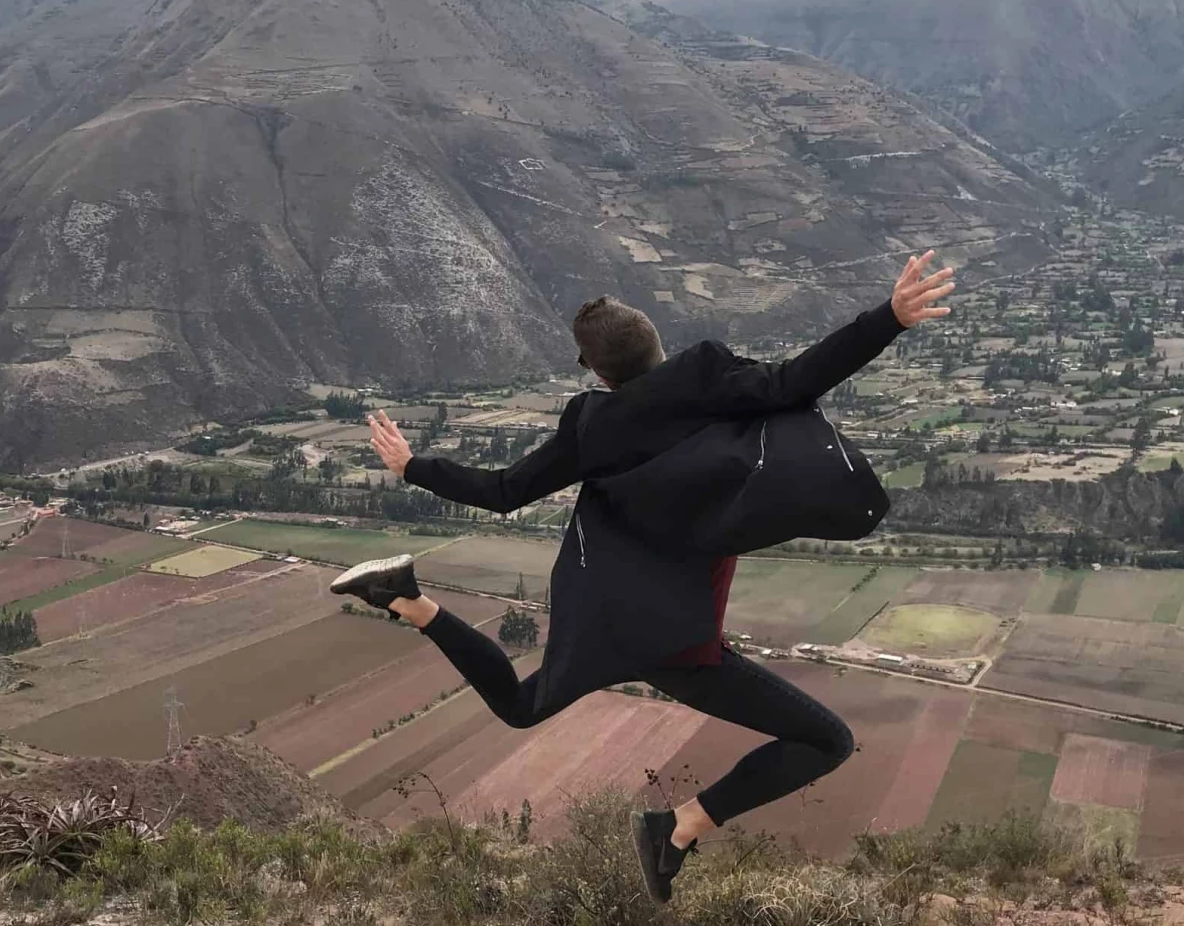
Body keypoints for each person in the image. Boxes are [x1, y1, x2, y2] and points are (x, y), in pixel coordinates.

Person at [330, 251, 955, 904]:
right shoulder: (709, 375)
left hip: (615, 616)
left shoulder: (590, 425)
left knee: (522, 706)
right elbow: (799, 377)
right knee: (828, 739)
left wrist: (412, 467)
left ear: (596, 371)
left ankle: (406, 595)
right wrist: (889, 317)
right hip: (674, 644)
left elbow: (504, 489)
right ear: (656, 340)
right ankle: (676, 826)